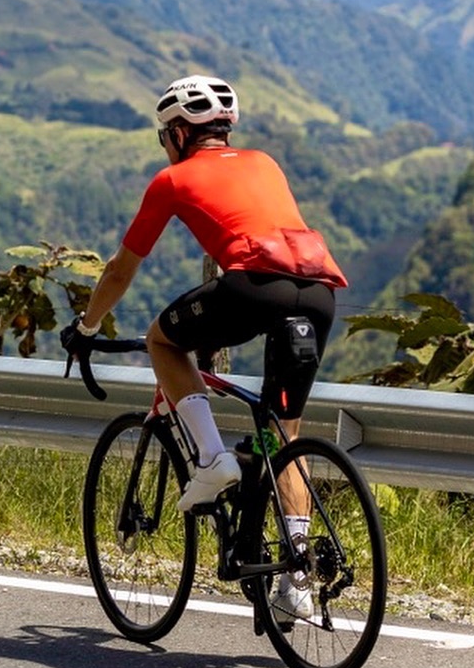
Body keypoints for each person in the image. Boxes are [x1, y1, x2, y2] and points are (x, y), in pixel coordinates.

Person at [61, 74, 346, 625]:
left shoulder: (172, 178)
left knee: (162, 341)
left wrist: (89, 327)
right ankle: (297, 577)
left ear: (177, 133)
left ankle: (213, 460)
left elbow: (120, 270)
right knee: (282, 430)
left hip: (252, 287)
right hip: (317, 292)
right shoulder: (265, 162)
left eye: (163, 135)